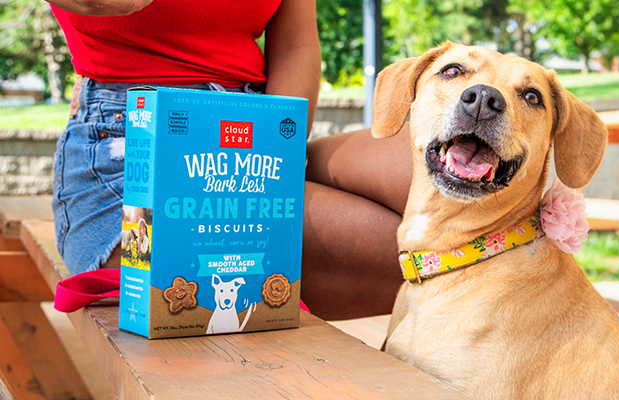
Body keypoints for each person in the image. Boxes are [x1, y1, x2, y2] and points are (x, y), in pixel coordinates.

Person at [50, 0, 407, 320]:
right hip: (131, 143)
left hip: (257, 127)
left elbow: (295, 45)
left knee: (436, 173)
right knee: (433, 254)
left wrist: (277, 158)